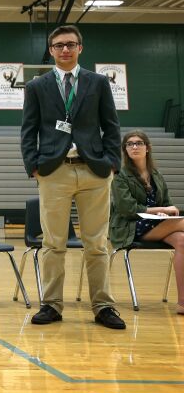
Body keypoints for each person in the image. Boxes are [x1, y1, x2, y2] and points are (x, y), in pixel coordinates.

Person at [21, 24, 125, 329]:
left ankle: (103, 305)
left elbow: (112, 125)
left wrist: (112, 164)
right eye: (58, 45)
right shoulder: (37, 86)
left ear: (80, 48)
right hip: (55, 172)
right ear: (51, 51)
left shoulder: (98, 82)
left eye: (70, 44)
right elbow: (28, 131)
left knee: (97, 242)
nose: (65, 49)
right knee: (54, 243)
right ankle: (51, 305)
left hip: (94, 170)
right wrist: (34, 166)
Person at [110, 130, 183, 314]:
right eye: (129, 144)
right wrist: (161, 210)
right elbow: (127, 208)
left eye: (139, 143)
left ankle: (182, 302)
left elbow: (166, 204)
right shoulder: (120, 175)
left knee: (182, 240)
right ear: (125, 150)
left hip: (158, 225)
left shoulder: (155, 174)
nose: (134, 146)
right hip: (131, 227)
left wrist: (168, 209)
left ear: (147, 148)